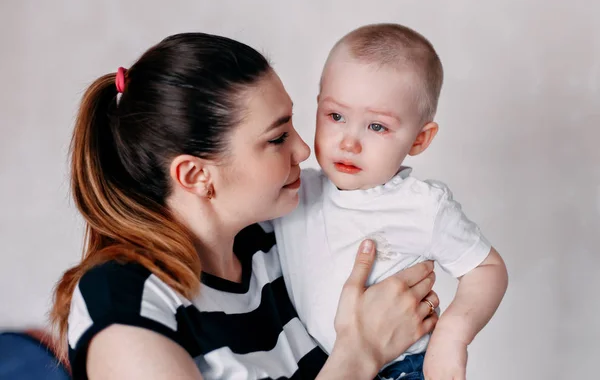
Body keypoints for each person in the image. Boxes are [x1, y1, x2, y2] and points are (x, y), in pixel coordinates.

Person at [50, 32, 440, 380]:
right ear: (196, 175)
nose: (303, 150)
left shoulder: (277, 241)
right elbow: (361, 349)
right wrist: (361, 354)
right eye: (276, 138)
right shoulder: (125, 302)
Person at [272, 23, 509, 380]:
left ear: (419, 139)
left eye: (377, 127)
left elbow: (487, 269)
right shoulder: (292, 191)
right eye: (336, 116)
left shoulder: (423, 206)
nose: (349, 142)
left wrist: (451, 337)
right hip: (320, 366)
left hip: (402, 370)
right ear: (318, 105)